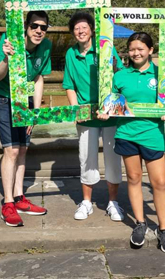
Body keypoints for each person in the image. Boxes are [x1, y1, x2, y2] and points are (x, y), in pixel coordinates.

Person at [98, 32, 165, 252]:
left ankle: (164, 229)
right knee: (133, 179)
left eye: (141, 49)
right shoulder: (120, 76)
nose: (136, 53)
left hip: (152, 135)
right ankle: (140, 224)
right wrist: (106, 111)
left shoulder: (161, 74)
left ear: (151, 50)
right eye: (132, 49)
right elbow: (111, 102)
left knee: (159, 183)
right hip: (127, 134)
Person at [63, 12, 124, 221]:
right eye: (76, 28)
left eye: (84, 27)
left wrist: (112, 105)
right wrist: (75, 110)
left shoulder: (106, 48)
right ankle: (87, 202)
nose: (80, 31)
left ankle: (113, 202)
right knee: (86, 158)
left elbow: (120, 76)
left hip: (109, 114)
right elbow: (69, 84)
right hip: (86, 116)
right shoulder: (71, 53)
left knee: (113, 158)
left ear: (91, 30)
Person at [0, 11, 50, 227]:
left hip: (24, 98)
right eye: (35, 26)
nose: (39, 31)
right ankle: (7, 203)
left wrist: (34, 110)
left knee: (23, 149)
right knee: (12, 150)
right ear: (26, 26)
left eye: (43, 27)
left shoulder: (46, 47)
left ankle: (18, 198)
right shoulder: (10, 39)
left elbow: (38, 77)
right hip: (3, 96)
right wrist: (6, 57)